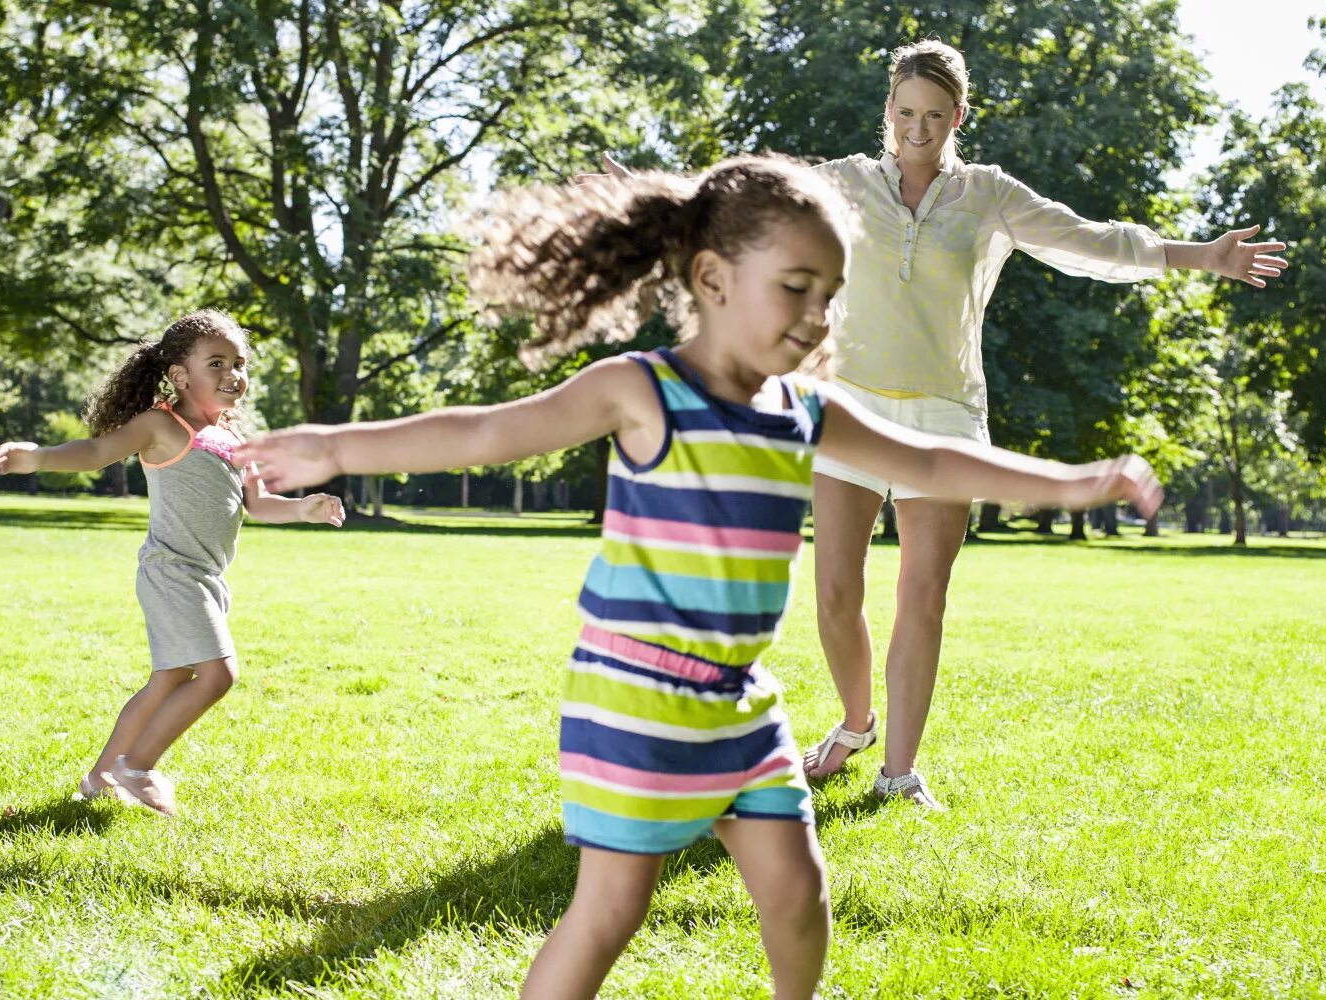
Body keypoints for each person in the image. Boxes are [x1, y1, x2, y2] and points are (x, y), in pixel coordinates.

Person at [236, 156, 1160, 998]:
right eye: (795, 288)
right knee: (610, 911)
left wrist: (1074, 482)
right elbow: (483, 432)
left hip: (742, 703)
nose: (816, 317)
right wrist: (333, 444)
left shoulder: (805, 410)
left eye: (831, 297)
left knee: (797, 894)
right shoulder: (642, 391)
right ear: (713, 279)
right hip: (633, 700)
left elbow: (930, 462)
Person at [585, 40, 1288, 810]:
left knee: (923, 595)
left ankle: (900, 771)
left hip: (945, 416)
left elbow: (1090, 243)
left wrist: (1200, 256)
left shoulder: (988, 196)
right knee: (834, 594)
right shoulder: (844, 183)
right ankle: (856, 726)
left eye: (934, 116)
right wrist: (654, 197)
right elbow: (749, 198)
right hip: (848, 409)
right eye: (904, 113)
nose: (917, 129)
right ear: (888, 112)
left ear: (958, 116)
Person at [0, 309, 344, 816]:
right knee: (219, 674)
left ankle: (99, 780)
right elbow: (95, 452)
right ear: (180, 375)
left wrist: (304, 509)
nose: (233, 375)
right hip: (171, 570)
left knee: (169, 680)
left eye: (240, 364)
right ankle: (137, 767)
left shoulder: (233, 440)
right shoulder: (162, 424)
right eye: (217, 363)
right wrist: (39, 457)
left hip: (207, 577)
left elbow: (258, 504)